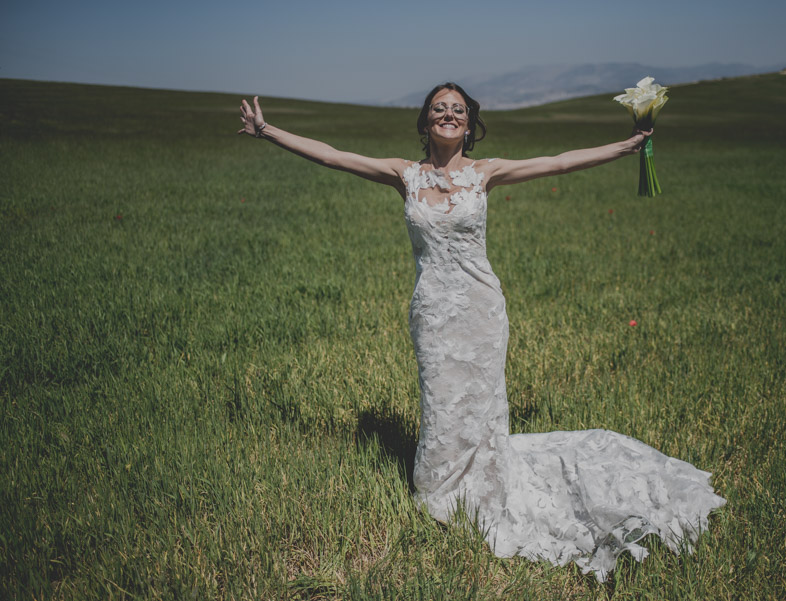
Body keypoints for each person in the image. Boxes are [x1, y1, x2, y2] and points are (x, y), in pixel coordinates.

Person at [238, 82, 725, 581]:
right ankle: (440, 490)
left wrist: (625, 147)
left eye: (457, 110)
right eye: (438, 109)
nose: (447, 114)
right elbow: (333, 155)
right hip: (432, 314)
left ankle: (483, 487)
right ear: (426, 121)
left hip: (481, 311)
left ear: (469, 125)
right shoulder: (404, 174)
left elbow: (558, 161)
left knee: (482, 408)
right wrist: (268, 131)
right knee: (442, 406)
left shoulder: (484, 173)